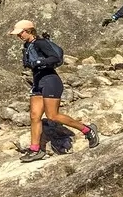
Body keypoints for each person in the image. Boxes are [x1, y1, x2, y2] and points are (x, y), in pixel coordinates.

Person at [10, 20, 99, 162]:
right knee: (34, 116)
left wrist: (38, 62)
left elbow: (55, 58)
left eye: (20, 33)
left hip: (50, 81)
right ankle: (35, 150)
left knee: (52, 115)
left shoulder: (40, 43)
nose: (19, 36)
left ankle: (87, 130)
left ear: (29, 31)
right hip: (38, 82)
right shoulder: (27, 46)